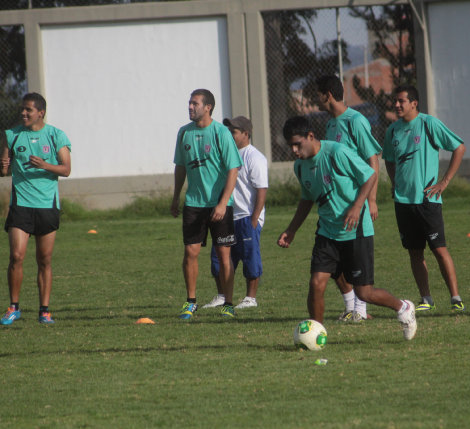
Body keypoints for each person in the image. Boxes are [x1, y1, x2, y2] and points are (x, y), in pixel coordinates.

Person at [277, 116, 416, 340]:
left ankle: (403, 308)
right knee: (316, 282)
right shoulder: (300, 166)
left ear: (310, 137)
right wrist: (291, 229)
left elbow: (369, 175)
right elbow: (307, 199)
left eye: (297, 144)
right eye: (290, 145)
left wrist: (358, 205)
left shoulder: (336, 153)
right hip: (327, 231)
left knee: (365, 292)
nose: (294, 150)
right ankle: (316, 333)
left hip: (356, 230)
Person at [383, 85, 466, 312]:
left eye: (401, 101)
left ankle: (456, 298)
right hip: (403, 202)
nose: (397, 105)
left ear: (414, 103)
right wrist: (394, 182)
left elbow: (458, 147)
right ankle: (426, 299)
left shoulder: (429, 124)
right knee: (415, 252)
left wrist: (444, 182)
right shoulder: (392, 131)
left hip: (427, 201)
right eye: (395, 101)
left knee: (439, 249)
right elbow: (388, 158)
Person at [0, 92, 72, 325]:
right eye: (22, 109)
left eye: (28, 110)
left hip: (47, 206)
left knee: (44, 260)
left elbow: (66, 169)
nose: (23, 113)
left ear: (41, 112)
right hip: (20, 205)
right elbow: (4, 170)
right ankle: (13, 307)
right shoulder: (12, 135)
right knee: (16, 256)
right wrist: (3, 165)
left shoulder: (56, 135)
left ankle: (44, 311)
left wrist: (45, 165)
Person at [171, 89, 243, 319]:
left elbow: (234, 168)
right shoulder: (184, 133)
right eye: (189, 103)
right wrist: (175, 197)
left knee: (224, 255)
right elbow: (180, 167)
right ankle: (190, 301)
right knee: (190, 252)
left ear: (208, 107)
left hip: (219, 204)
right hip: (194, 203)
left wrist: (223, 203)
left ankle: (228, 303)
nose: (190, 107)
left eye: (195, 103)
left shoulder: (221, 133)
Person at [316, 75, 382, 322]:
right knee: (333, 264)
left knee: (355, 260)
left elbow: (372, 159)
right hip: (335, 203)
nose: (316, 99)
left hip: (356, 202)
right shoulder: (331, 123)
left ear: (327, 94)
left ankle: (361, 312)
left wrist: (371, 200)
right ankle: (350, 306)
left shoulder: (356, 121)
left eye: (317, 94)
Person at [202, 116, 268, 310]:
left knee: (250, 257)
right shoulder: (225, 154)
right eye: (228, 131)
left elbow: (262, 190)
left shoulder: (254, 157)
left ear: (246, 134)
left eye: (234, 132)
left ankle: (250, 298)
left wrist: (254, 218)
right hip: (227, 215)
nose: (229, 135)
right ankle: (222, 295)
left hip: (247, 216)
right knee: (218, 258)